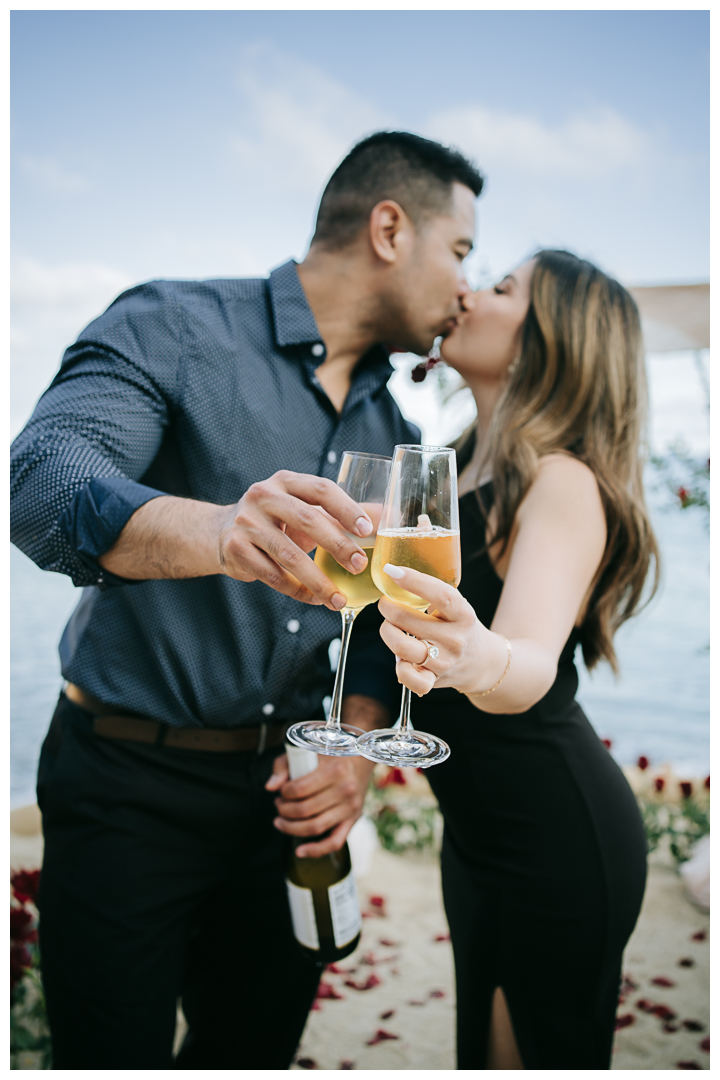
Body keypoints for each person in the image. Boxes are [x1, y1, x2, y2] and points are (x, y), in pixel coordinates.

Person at [9, 131, 484, 1069]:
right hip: (125, 790)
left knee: (253, 1053)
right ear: (390, 228)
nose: (467, 287)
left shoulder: (394, 427)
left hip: (285, 806)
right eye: (461, 252)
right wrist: (221, 532)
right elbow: (42, 478)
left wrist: (353, 751)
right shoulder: (172, 324)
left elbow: (379, 633)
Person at [376, 250, 658, 1070]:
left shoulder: (562, 479)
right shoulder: (459, 469)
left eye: (503, 289)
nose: (469, 290)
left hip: (555, 839)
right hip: (478, 838)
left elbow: (529, 667)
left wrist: (476, 658)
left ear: (552, 340)